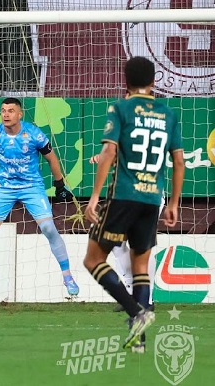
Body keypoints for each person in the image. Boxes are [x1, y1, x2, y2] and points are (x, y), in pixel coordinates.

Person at [84, 56, 184, 352]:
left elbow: (109, 152)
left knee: (93, 260)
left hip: (124, 195)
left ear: (125, 82)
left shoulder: (121, 108)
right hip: (152, 198)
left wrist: (95, 196)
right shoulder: (168, 114)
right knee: (141, 265)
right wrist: (173, 203)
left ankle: (136, 312)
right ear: (154, 82)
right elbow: (179, 161)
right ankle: (139, 340)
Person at [0, 97, 79, 300]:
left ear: (20, 114)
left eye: (11, 111)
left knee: (49, 228)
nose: (6, 114)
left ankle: (67, 276)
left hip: (32, 186)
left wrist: (59, 184)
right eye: (3, 110)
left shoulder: (34, 134)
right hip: (4, 187)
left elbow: (51, 158)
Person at [89, 153, 163, 313]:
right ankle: (130, 294)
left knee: (141, 248)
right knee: (116, 244)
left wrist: (107, 157)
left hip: (147, 194)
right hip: (127, 196)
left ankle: (147, 300)